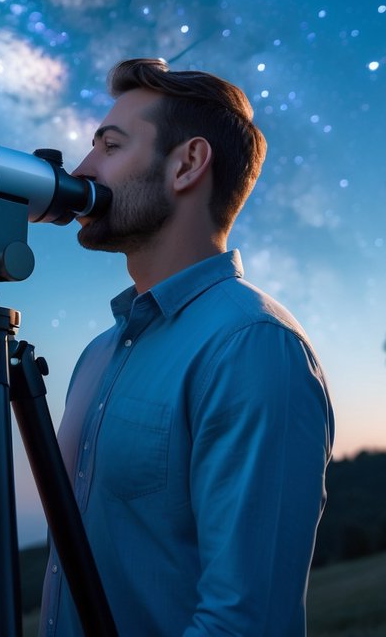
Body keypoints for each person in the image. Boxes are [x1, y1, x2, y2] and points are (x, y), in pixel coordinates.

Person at [40, 58, 335, 636]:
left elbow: (245, 622)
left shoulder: (252, 347)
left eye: (110, 146)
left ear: (187, 165)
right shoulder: (98, 353)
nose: (81, 169)